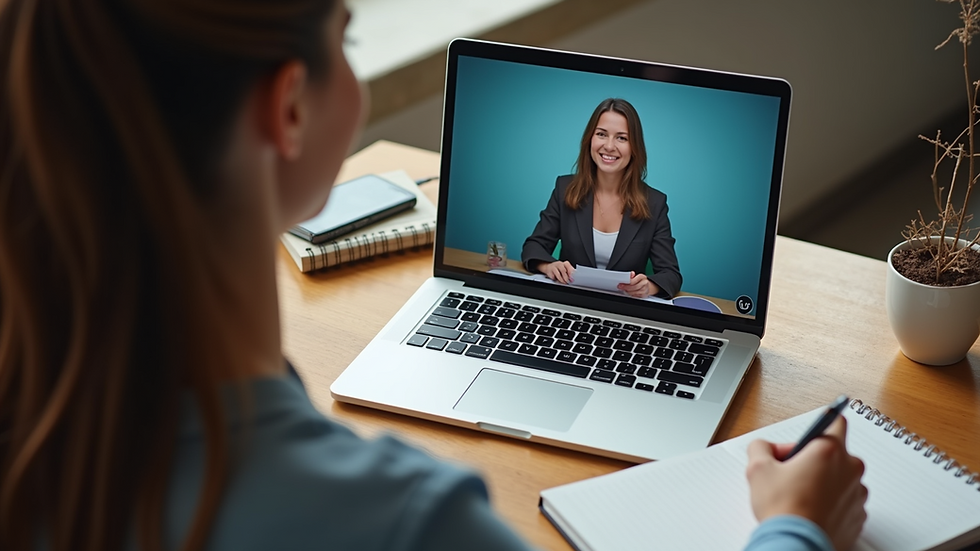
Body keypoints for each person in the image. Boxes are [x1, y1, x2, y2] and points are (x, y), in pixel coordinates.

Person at [0, 1, 866, 550]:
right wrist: (792, 529)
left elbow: (675, 279)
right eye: (350, 36)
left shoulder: (36, 423)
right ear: (290, 108)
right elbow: (531, 249)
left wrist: (656, 291)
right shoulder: (412, 525)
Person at [521, 98, 683, 299]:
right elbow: (533, 246)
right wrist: (549, 266)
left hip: (623, 310)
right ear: (590, 139)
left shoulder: (655, 203)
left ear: (635, 147)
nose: (609, 146)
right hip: (568, 301)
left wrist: (648, 286)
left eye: (622, 138)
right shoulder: (564, 188)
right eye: (601, 134)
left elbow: (671, 274)